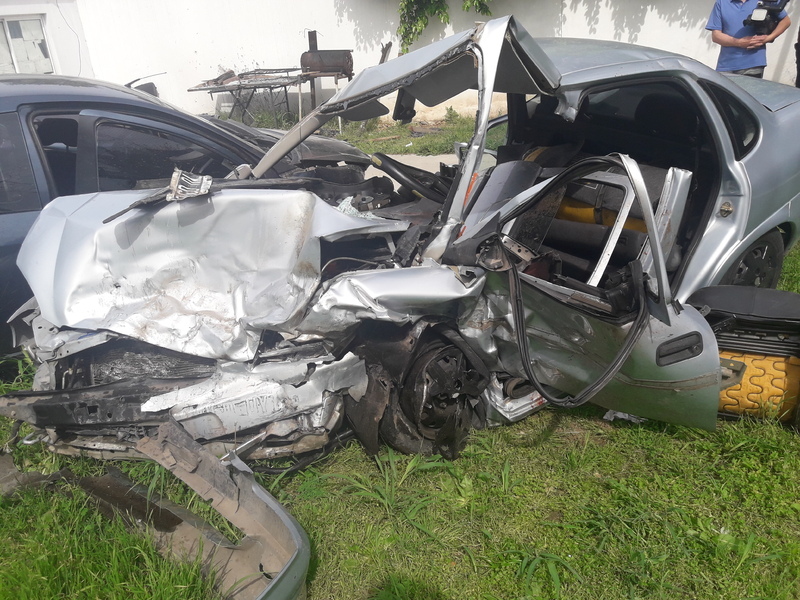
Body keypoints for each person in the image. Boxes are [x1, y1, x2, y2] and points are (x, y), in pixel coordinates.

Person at [706, 0, 791, 78]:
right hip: (725, 66)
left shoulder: (764, 1)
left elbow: (786, 21)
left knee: (749, 94)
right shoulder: (721, 3)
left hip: (753, 64)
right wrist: (738, 42)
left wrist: (769, 38)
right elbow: (716, 36)